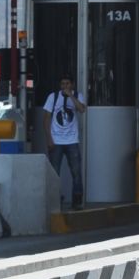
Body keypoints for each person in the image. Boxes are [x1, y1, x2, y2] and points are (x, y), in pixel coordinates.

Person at [43, 74, 87, 210]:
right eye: (63, 84)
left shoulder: (78, 96)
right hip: (56, 141)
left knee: (76, 171)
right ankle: (55, 199)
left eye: (67, 84)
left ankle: (77, 200)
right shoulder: (53, 97)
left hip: (72, 141)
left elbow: (81, 109)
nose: (65, 86)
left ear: (72, 85)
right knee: (54, 172)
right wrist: (49, 138)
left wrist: (71, 96)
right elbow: (46, 118)